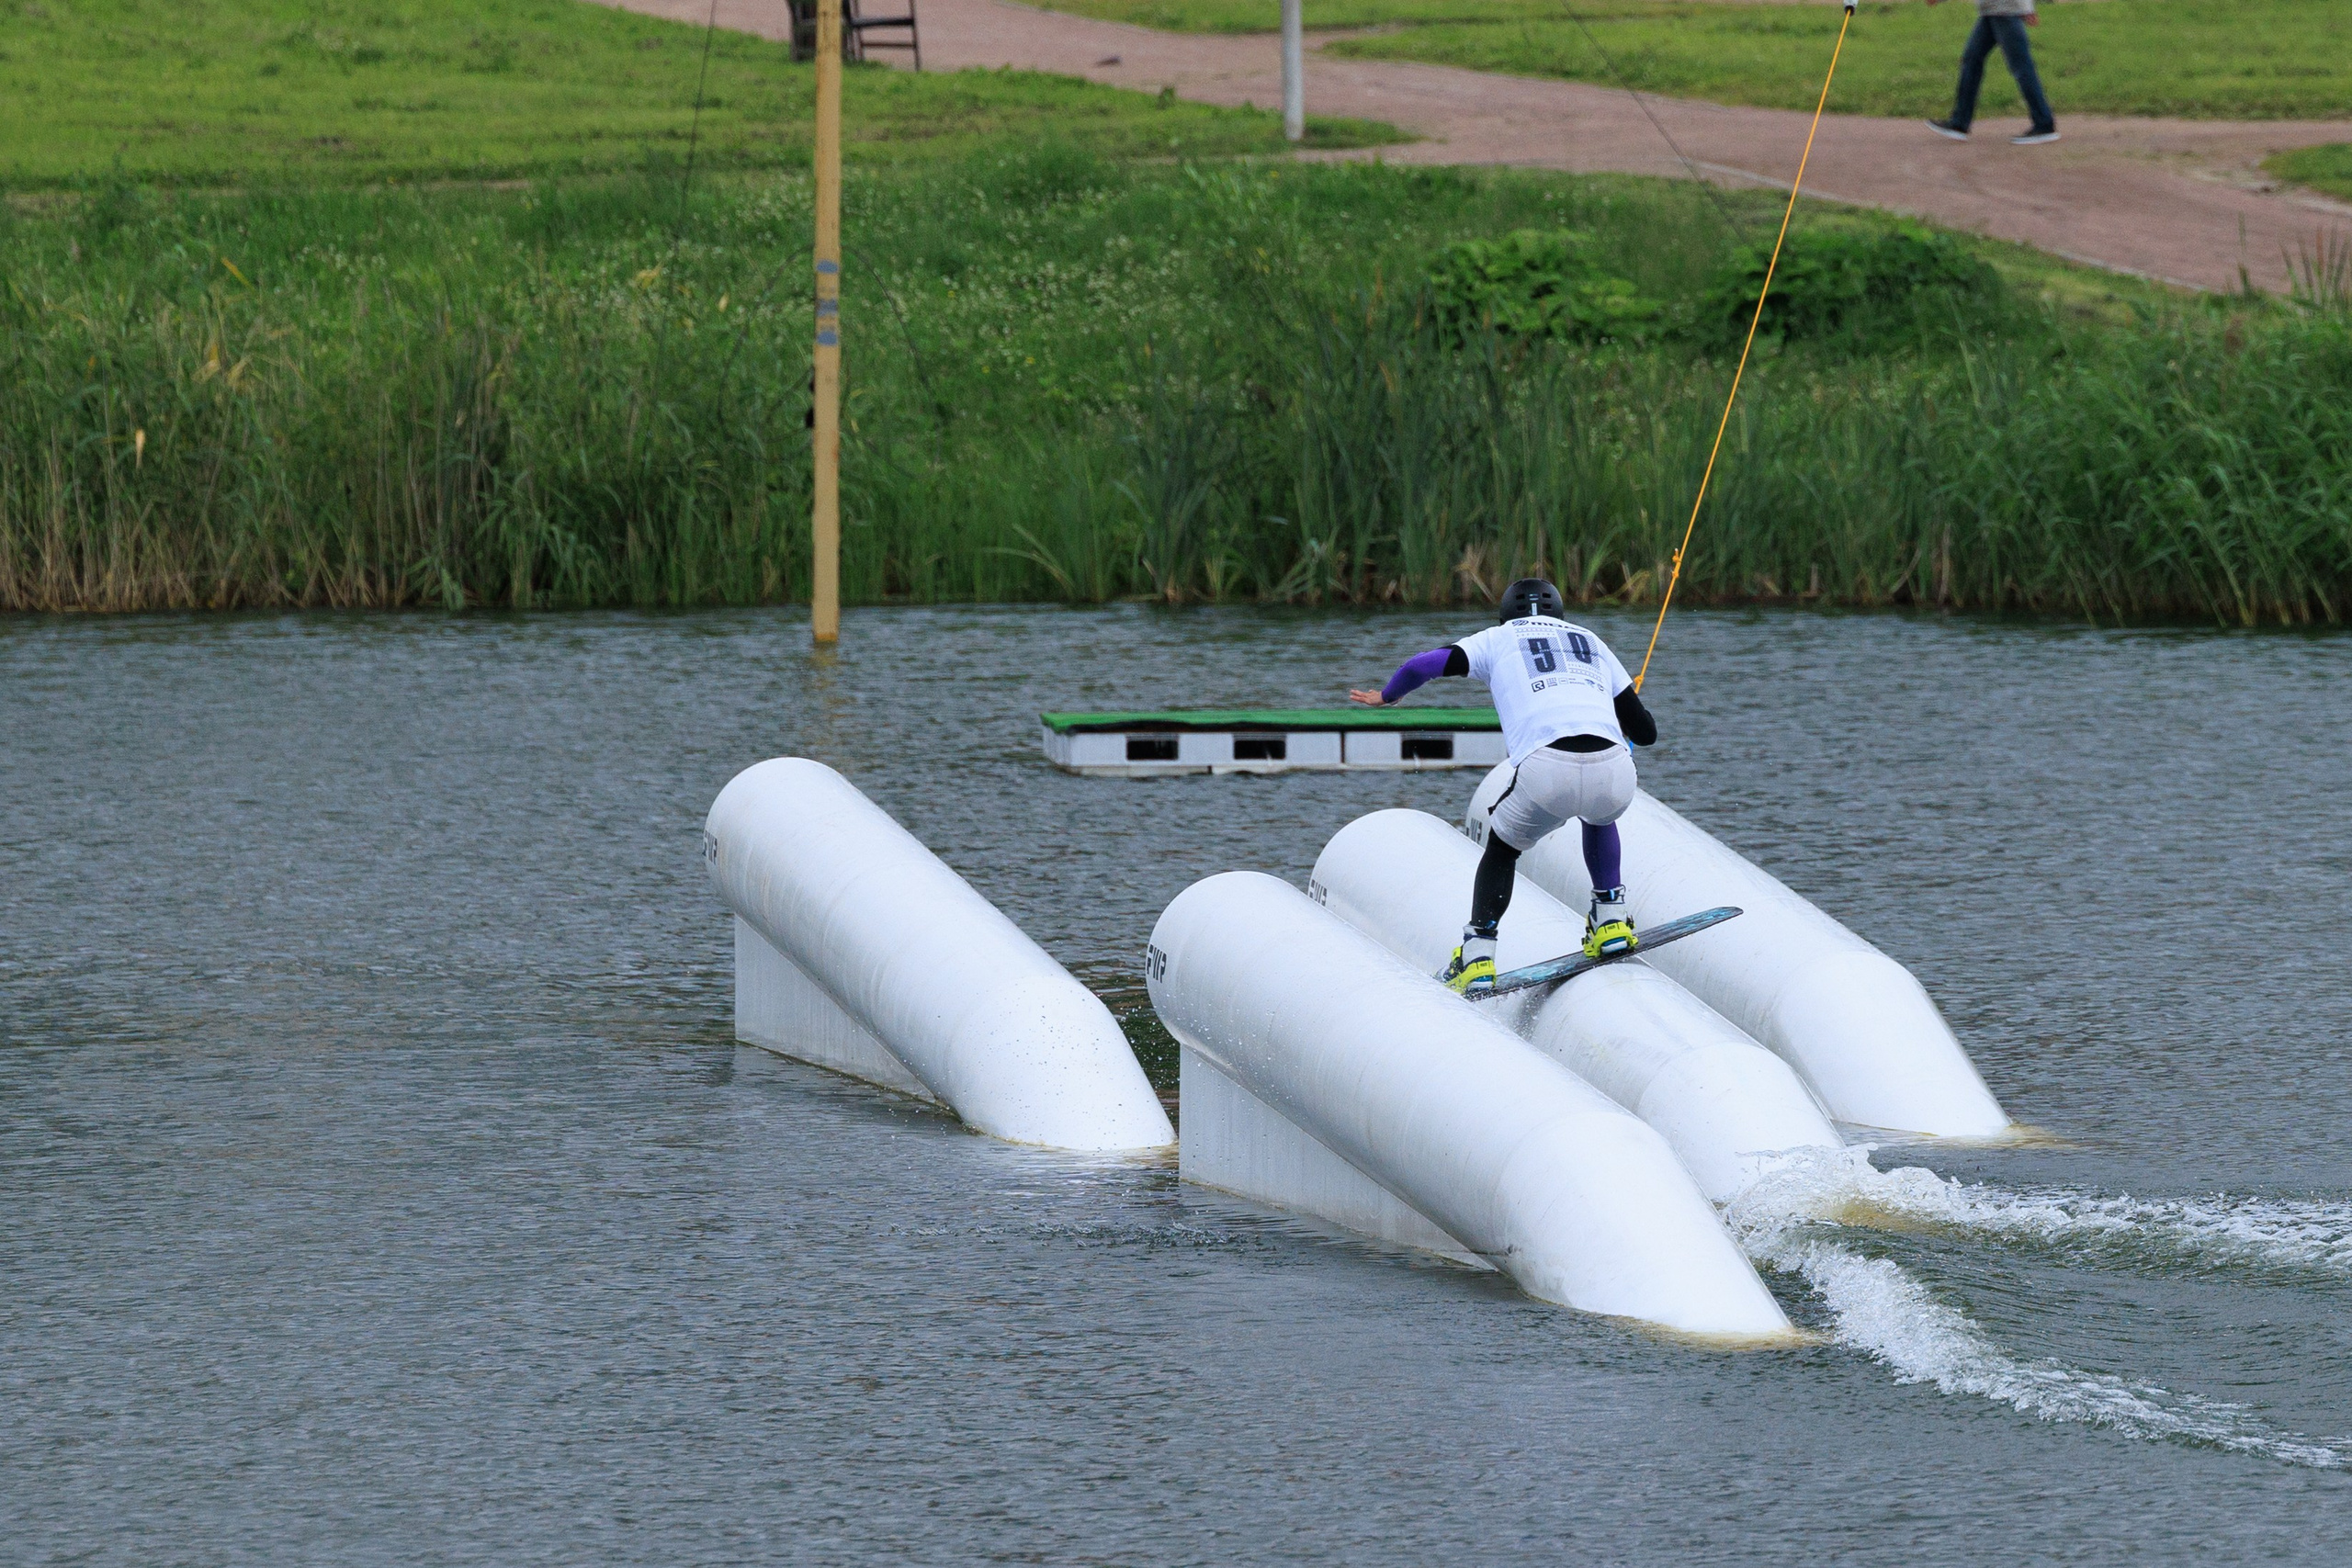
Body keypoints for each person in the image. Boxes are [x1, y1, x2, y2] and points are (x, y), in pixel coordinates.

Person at [1350, 578, 1657, 997]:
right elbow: (1647, 731)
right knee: (1599, 815)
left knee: (1502, 847)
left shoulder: (1495, 639)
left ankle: (1477, 955)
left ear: (1505, 614)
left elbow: (1422, 665)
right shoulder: (1590, 640)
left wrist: (1387, 697)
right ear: (1560, 614)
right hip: (1615, 770)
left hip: (1546, 768)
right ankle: (1611, 920)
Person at [1924, 0, 2058, 147]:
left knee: (2021, 67)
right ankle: (1959, 123)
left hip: (2005, 11)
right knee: (1971, 61)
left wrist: (2027, 9)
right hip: (1992, 11)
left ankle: (2044, 124)